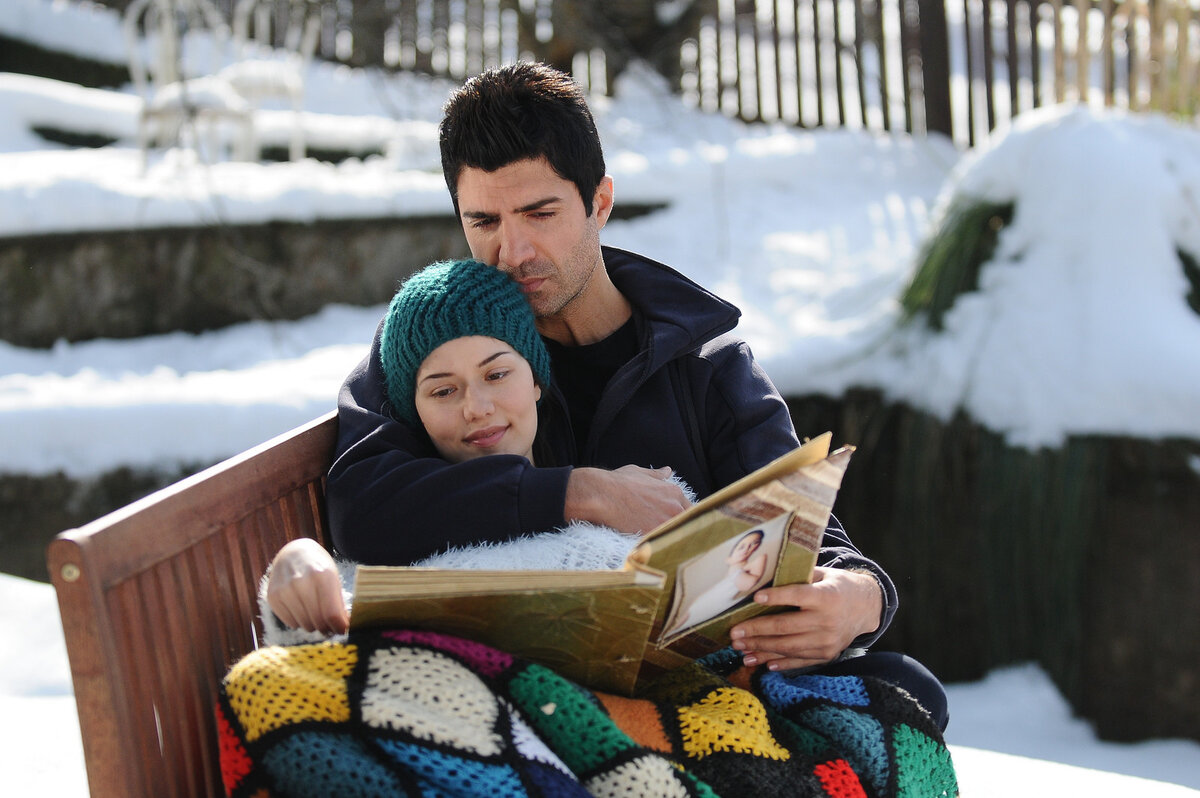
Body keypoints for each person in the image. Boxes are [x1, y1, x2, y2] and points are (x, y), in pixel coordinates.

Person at [323, 61, 947, 729]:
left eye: (540, 213)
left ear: (600, 201)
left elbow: (808, 541)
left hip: (699, 686)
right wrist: (579, 492)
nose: (512, 251)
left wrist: (860, 599)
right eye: (484, 222)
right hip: (514, 692)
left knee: (909, 689)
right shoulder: (436, 347)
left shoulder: (707, 368)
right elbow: (361, 503)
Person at [268, 256, 647, 637]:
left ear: (536, 380)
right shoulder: (401, 536)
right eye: (443, 391)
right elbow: (336, 606)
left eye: (496, 374)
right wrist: (297, 561)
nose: (477, 408)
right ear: (416, 412)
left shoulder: (621, 506)